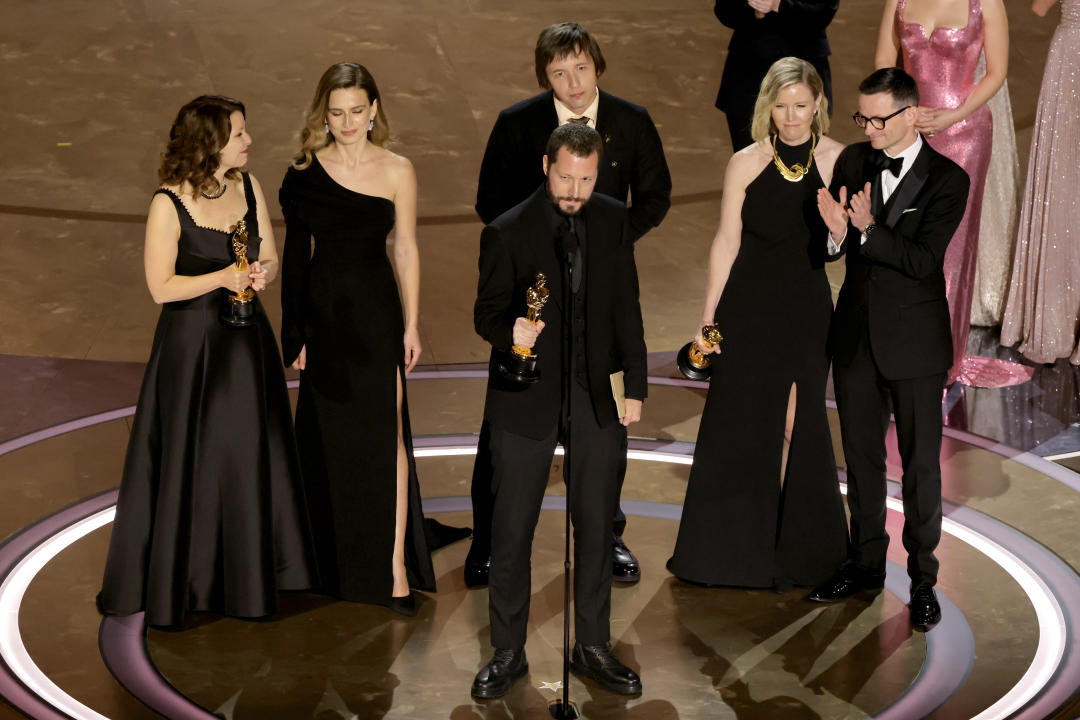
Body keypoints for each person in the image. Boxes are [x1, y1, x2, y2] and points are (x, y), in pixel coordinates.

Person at [466, 22, 672, 589]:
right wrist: (532, 245)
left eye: (580, 68)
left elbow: (656, 195)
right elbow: (490, 200)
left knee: (602, 426)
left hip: (600, 292)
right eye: (558, 73)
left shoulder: (631, 122)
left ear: (597, 65)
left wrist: (608, 241)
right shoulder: (518, 124)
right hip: (529, 293)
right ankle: (490, 540)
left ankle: (608, 533)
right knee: (508, 420)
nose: (572, 82)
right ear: (545, 77)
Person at [97, 95, 314, 627]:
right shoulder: (168, 203)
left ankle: (248, 578)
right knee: (196, 456)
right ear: (210, 142)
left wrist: (259, 273)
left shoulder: (249, 185)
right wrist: (222, 278)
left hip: (245, 346)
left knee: (244, 454)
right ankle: (192, 583)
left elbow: (269, 255)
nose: (249, 142)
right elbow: (160, 287)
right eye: (239, 134)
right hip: (193, 349)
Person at [470, 124, 647, 699]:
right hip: (525, 398)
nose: (575, 190)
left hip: (597, 394)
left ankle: (592, 646)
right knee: (511, 529)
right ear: (546, 165)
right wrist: (510, 330)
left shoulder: (614, 221)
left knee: (596, 525)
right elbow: (486, 314)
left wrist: (636, 388)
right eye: (566, 177)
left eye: (586, 179)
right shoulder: (507, 231)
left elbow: (627, 310)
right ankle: (507, 651)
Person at [668, 57, 847, 591]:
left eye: (800, 105)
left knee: (799, 424)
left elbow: (840, 245)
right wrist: (708, 319)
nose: (791, 117)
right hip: (746, 308)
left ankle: (801, 553)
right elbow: (726, 242)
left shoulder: (840, 160)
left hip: (805, 309)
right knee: (741, 422)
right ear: (767, 107)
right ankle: (727, 556)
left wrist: (839, 234)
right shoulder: (744, 162)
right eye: (781, 106)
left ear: (818, 105)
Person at [810, 68, 970, 632]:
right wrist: (836, 233)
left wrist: (869, 231)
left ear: (909, 114)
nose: (869, 128)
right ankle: (865, 563)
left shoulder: (948, 180)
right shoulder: (854, 161)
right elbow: (836, 247)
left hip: (916, 346)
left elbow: (924, 260)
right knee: (861, 460)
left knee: (922, 469)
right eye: (863, 118)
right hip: (855, 339)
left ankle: (923, 581)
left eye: (879, 119)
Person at [279, 62, 435, 616]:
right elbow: (296, 260)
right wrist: (293, 331)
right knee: (327, 438)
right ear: (325, 113)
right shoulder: (302, 174)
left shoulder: (398, 170)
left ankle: (393, 568)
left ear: (374, 110)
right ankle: (330, 562)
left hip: (375, 315)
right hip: (323, 317)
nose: (347, 123)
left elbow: (406, 248)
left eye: (357, 111)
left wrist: (412, 322)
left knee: (384, 436)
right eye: (337, 112)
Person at [875, 0, 1030, 388]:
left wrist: (953, 115)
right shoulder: (899, 1)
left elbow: (996, 73)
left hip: (964, 135)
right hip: (907, 136)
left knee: (953, 248)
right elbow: (884, 61)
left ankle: (942, 356)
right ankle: (899, 343)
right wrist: (900, 114)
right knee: (902, 235)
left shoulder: (985, 3)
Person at [1000, 0, 1080, 365]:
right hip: (1069, 59)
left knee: (1065, 180)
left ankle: (1058, 316)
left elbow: (1039, 8)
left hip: (1071, 57)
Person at [713, 0, 838, 151]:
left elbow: (824, 11)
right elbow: (724, 10)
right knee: (750, 161)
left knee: (804, 161)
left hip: (804, 66)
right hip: (748, 73)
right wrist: (752, 5)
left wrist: (779, 5)